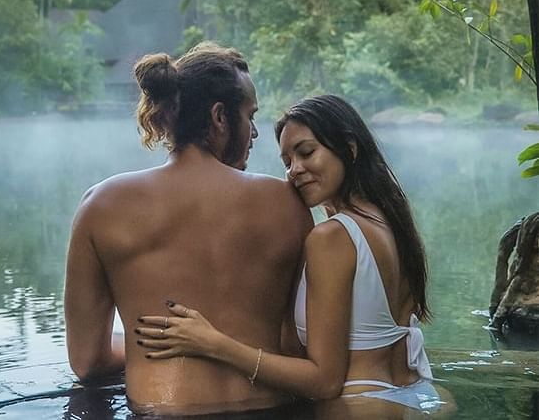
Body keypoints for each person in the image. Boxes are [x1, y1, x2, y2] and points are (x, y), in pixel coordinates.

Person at [136, 94, 445, 416]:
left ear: (350, 149)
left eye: (307, 152)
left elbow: (323, 381)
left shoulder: (333, 237)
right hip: (418, 397)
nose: (295, 170)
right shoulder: (389, 221)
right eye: (287, 162)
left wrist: (212, 343)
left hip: (359, 406)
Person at [64, 43, 313, 416]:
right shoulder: (287, 204)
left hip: (163, 411)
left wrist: (142, 341)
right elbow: (293, 347)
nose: (255, 133)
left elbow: (87, 362)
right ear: (219, 117)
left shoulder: (101, 206)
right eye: (250, 115)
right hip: (272, 407)